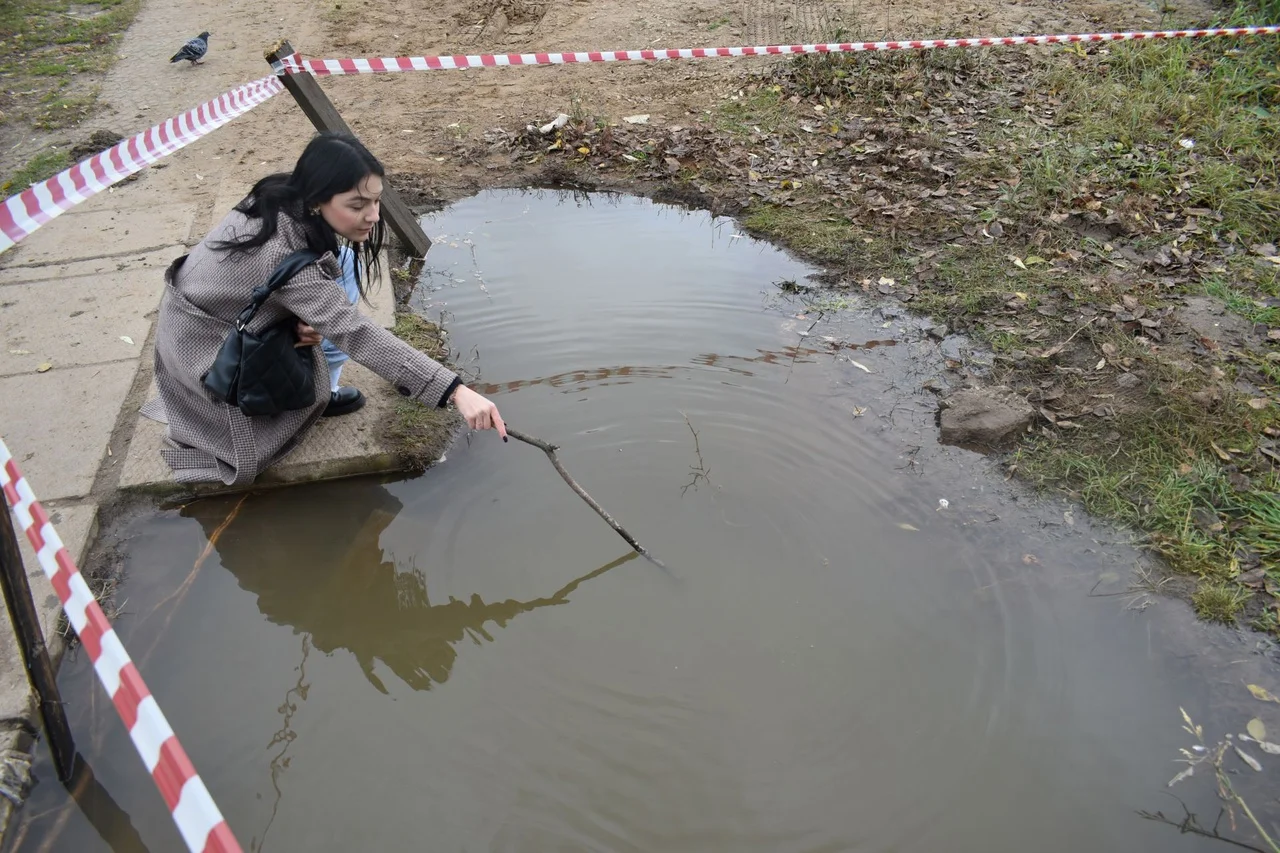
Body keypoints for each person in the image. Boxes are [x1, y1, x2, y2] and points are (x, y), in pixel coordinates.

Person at [142, 131, 506, 486]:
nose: (374, 216)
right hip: (205, 351)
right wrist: (456, 391)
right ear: (318, 200)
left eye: (377, 201)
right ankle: (318, 395)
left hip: (210, 319)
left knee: (343, 263)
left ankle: (318, 367)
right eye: (357, 205)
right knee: (336, 320)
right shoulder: (288, 262)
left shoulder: (282, 196)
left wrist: (300, 316)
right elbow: (357, 333)